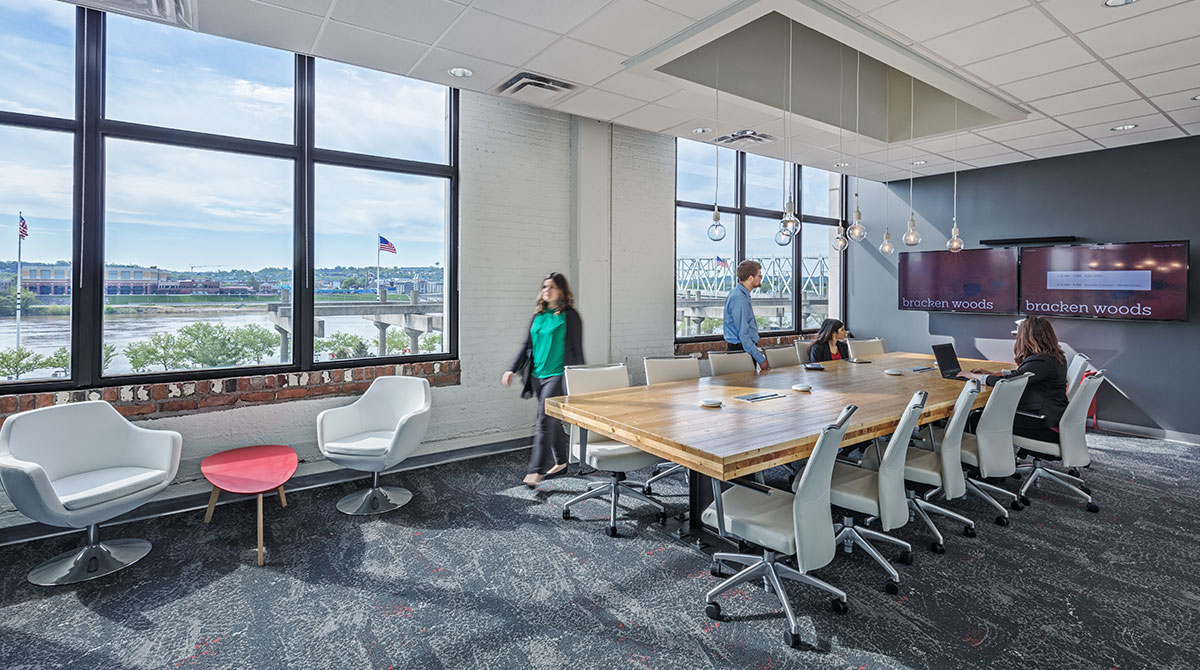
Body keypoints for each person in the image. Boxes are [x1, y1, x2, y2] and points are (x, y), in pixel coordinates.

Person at [502, 273, 584, 487]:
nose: (547, 290)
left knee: (543, 421)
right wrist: (512, 369)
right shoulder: (538, 315)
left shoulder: (570, 315)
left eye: (553, 287)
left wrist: (579, 379)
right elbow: (526, 345)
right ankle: (561, 462)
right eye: (545, 286)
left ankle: (535, 470)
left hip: (557, 375)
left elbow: (577, 349)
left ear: (562, 291)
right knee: (552, 419)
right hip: (537, 375)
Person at [961, 316, 1068, 442]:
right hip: (1052, 416)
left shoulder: (1040, 361)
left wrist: (975, 376)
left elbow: (1007, 383)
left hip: (1042, 424)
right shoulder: (1053, 357)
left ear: (1026, 338)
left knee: (976, 418)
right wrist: (993, 373)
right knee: (985, 413)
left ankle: (982, 460)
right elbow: (1021, 374)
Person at [723, 260, 768, 371]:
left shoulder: (740, 294)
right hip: (740, 351)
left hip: (743, 349)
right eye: (759, 275)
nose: (761, 278)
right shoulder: (739, 298)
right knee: (746, 387)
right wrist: (761, 359)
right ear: (750, 278)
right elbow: (743, 335)